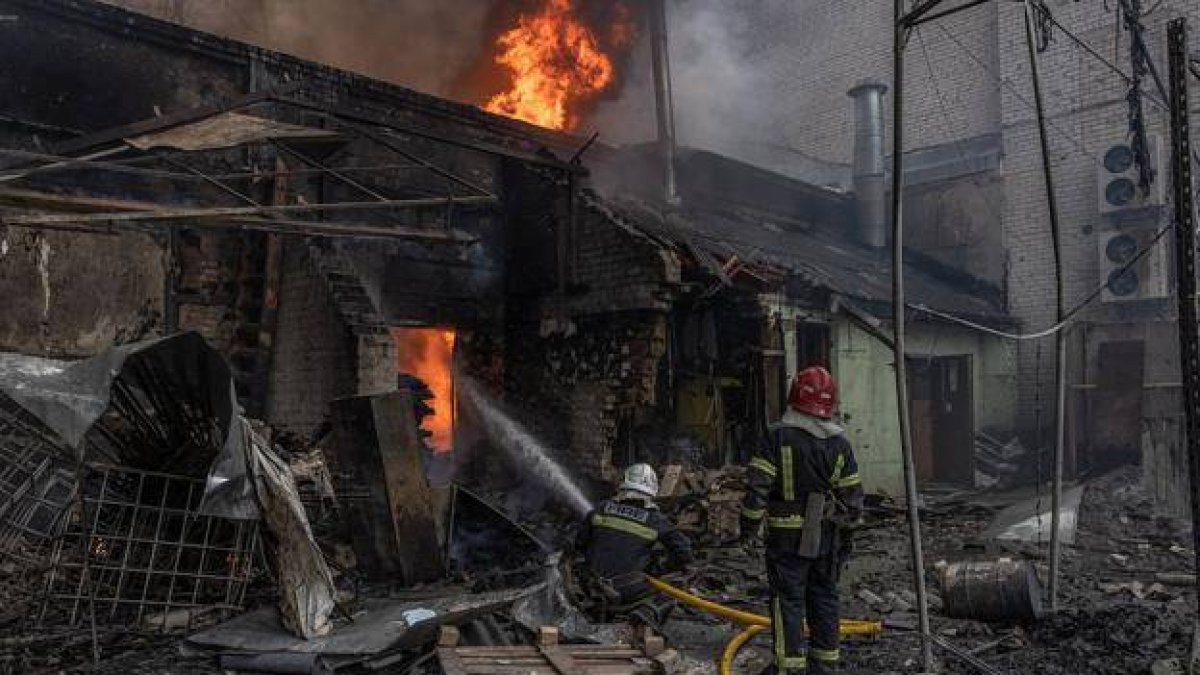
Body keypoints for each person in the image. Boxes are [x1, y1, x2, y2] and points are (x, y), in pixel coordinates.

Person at [740, 367, 865, 674]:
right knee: (824, 597)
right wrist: (844, 538)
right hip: (826, 539)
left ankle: (790, 667)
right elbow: (853, 503)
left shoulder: (777, 435)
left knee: (789, 602)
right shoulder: (840, 445)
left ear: (794, 396)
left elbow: (757, 489)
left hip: (786, 542)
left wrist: (748, 530)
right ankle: (824, 664)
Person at [578, 463, 693, 627]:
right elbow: (684, 553)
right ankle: (641, 618)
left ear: (624, 484)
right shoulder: (655, 520)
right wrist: (663, 568)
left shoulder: (601, 509)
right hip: (628, 590)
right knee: (673, 592)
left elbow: (579, 545)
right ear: (652, 490)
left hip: (592, 587)